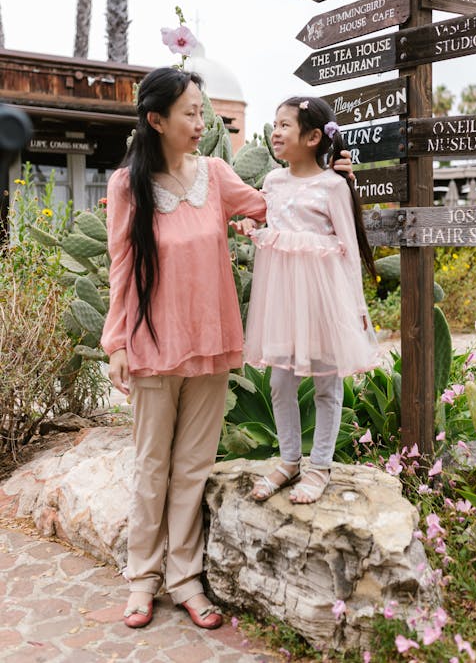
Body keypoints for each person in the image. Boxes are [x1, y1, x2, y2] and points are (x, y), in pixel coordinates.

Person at [101, 68, 355, 630]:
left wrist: (328, 178)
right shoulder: (127, 186)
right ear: (156, 120)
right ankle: (142, 577)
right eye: (190, 112)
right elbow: (120, 265)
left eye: (203, 111)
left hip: (211, 341)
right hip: (151, 342)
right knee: (151, 466)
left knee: (192, 467)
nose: (202, 122)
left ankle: (185, 580)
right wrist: (115, 340)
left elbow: (276, 207)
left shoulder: (217, 174)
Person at [237, 96, 379, 504]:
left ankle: (319, 466)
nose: (276, 132)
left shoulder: (333, 186)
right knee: (281, 382)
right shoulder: (273, 181)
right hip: (282, 300)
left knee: (326, 385)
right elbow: (269, 219)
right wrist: (252, 222)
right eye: (274, 124)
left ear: (314, 137)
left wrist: (356, 307)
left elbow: (350, 248)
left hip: (324, 298)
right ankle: (289, 460)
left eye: (285, 125)